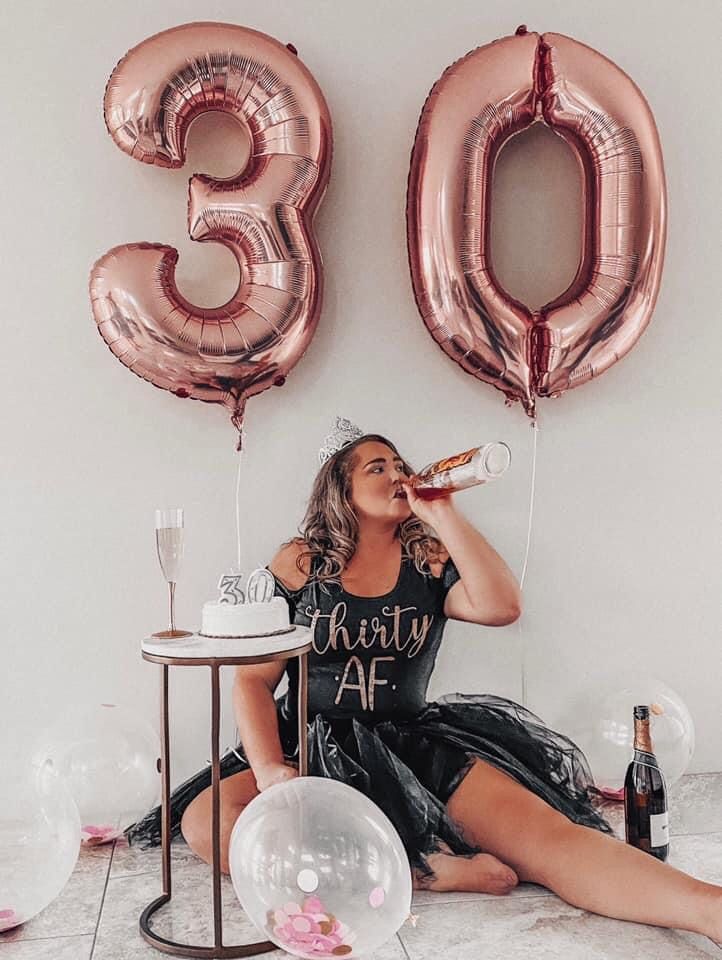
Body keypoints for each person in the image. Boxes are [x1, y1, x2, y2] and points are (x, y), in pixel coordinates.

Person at [129, 419, 722, 941]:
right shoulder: (302, 562)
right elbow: (254, 681)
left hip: (410, 741)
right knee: (207, 822)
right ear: (342, 487)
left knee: (552, 843)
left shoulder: (428, 560)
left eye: (400, 465)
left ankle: (707, 909)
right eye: (376, 466)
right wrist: (271, 773)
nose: (395, 474)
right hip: (305, 741)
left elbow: (500, 606)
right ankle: (426, 871)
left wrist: (441, 509)